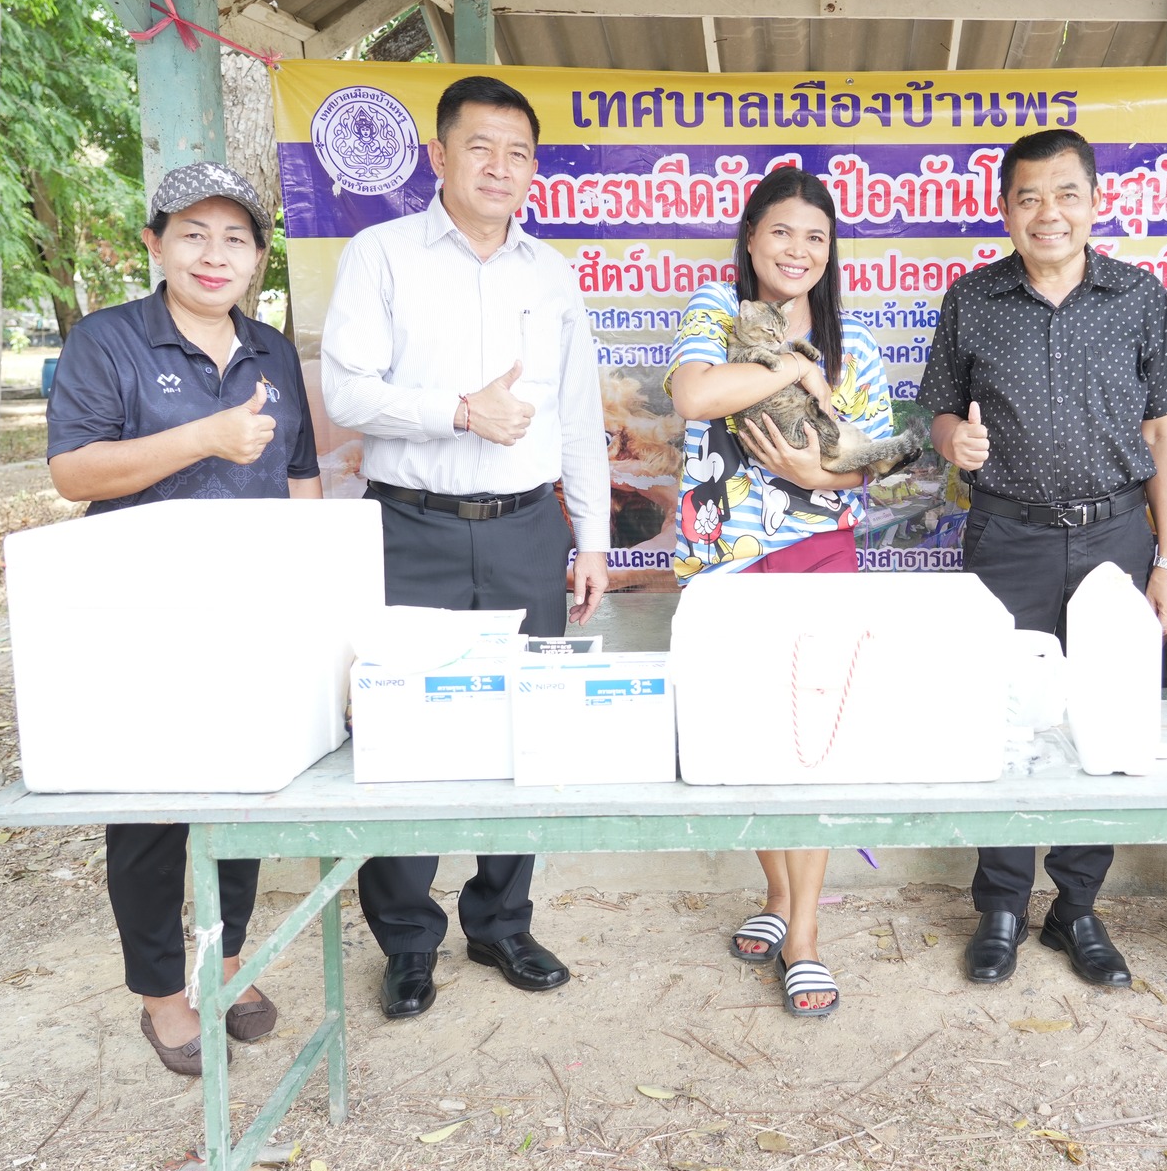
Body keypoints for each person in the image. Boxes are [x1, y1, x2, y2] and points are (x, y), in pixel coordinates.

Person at [321, 75, 609, 1021]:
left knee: (530, 726)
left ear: (534, 169)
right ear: (439, 156)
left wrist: (592, 538)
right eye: (480, 147)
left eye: (518, 152)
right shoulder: (381, 255)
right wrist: (457, 411)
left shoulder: (550, 274)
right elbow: (346, 392)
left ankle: (501, 921)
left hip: (527, 528)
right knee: (404, 731)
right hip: (412, 528)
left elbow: (576, 418)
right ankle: (409, 941)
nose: (500, 166)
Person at [45, 161, 317, 1074]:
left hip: (251, 617)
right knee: (152, 815)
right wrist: (204, 435)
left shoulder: (271, 350)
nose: (214, 254)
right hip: (140, 621)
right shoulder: (108, 340)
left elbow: (302, 477)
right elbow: (74, 471)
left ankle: (225, 960)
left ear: (258, 258)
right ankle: (163, 993)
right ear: (155, 244)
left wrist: (315, 598)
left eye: (235, 238)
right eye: (193, 234)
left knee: (241, 795)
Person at [920, 127, 1167, 989]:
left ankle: (1076, 905)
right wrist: (953, 440)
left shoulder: (1138, 296)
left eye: (1066, 193)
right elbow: (938, 410)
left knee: (1106, 715)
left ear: (1095, 202)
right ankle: (1002, 903)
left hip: (1117, 537)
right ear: (1005, 209)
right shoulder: (972, 298)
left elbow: (1164, 432)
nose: (1049, 212)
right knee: (1000, 715)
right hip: (1008, 537)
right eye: (1029, 197)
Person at [666, 166, 900, 1017]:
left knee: (809, 750)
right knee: (747, 741)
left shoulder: (855, 342)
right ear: (750, 237)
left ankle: (803, 934)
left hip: (818, 557)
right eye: (781, 232)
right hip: (723, 564)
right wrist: (795, 369)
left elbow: (873, 462)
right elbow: (697, 393)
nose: (798, 251)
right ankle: (775, 891)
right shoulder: (714, 310)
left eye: (816, 237)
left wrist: (814, 472)